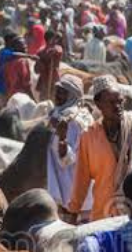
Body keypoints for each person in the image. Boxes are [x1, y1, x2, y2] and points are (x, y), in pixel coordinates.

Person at [65, 75, 132, 222]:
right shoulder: (89, 136)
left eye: (120, 101)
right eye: (112, 102)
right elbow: (81, 179)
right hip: (103, 214)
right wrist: (73, 212)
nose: (118, 106)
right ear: (98, 104)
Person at [47, 74, 94, 213]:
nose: (57, 95)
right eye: (57, 91)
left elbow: (70, 158)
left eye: (62, 92)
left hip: (69, 181)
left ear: (72, 95)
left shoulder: (72, 121)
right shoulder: (60, 113)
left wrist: (61, 139)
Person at [35, 29, 63, 102]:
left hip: (53, 80)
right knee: (44, 103)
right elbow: (36, 70)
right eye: (54, 38)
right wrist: (40, 62)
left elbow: (59, 52)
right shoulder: (40, 51)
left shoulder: (57, 49)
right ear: (51, 39)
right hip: (45, 82)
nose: (56, 40)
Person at [3, 36, 33, 100]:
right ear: (16, 47)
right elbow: (26, 84)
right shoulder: (23, 62)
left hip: (11, 97)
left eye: (25, 43)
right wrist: (33, 99)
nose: (25, 46)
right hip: (22, 97)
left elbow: (7, 82)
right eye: (22, 44)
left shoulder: (8, 63)